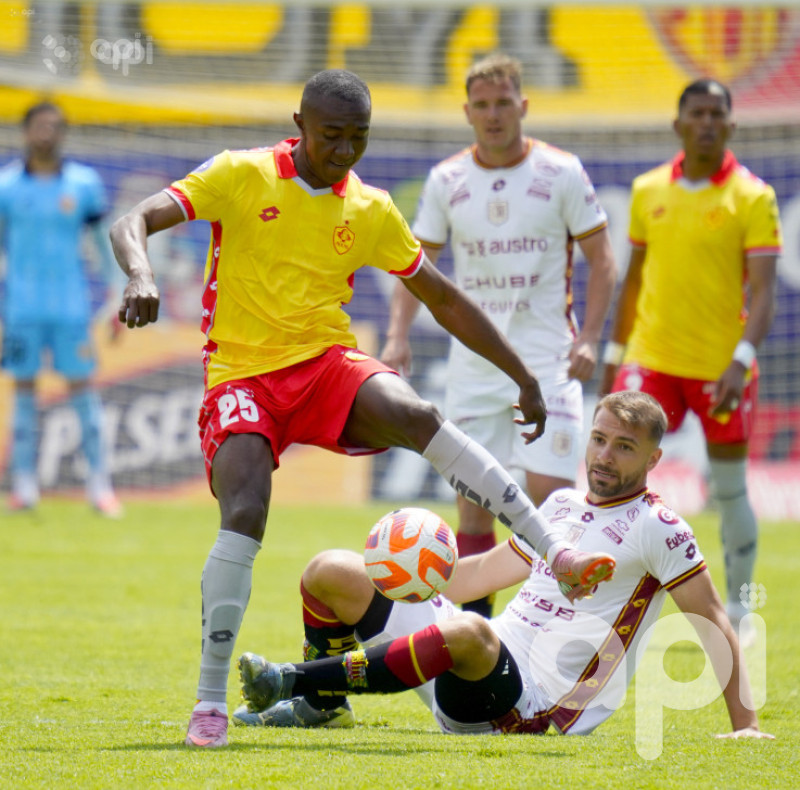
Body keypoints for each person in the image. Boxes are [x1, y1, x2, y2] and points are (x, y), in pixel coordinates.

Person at [109, 69, 617, 749]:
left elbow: (444, 298)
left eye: (359, 137)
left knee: (419, 415)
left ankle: (555, 551)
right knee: (246, 512)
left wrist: (522, 375)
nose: (345, 150)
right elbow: (133, 220)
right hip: (242, 376)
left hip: (324, 364)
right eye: (331, 136)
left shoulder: (369, 208)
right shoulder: (239, 174)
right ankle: (209, 704)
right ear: (300, 124)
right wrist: (141, 273)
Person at [232, 391, 773, 742]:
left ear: (653, 459)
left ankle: (291, 679)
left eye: (624, 447)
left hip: (530, 705)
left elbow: (712, 618)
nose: (605, 456)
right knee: (332, 570)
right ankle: (323, 706)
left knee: (471, 630)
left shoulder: (660, 527)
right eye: (599, 440)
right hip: (477, 659)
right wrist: (407, 563)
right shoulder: (560, 506)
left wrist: (745, 725)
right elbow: (474, 578)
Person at [381, 53, 616, 617]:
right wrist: (396, 336)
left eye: (503, 103)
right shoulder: (446, 180)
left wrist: (589, 337)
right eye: (482, 105)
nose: (493, 114)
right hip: (473, 368)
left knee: (554, 506)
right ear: (466, 111)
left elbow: (603, 261)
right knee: (473, 510)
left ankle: (554, 628)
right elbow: (415, 265)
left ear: (523, 105)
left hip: (548, 362)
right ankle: (475, 639)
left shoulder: (561, 171)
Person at [599, 79, 782, 648]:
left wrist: (741, 361)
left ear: (731, 124)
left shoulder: (753, 197)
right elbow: (633, 282)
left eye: (716, 114)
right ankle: (604, 599)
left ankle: (743, 607)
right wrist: (613, 354)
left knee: (729, 492)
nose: (706, 122)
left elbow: (765, 293)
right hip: (651, 360)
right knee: (614, 477)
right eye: (697, 113)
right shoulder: (648, 189)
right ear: (678, 124)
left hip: (720, 370)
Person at [0, 101, 121, 517]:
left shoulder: (84, 184)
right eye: (39, 125)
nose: (46, 132)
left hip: (72, 309)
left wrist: (116, 293)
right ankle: (24, 486)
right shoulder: (6, 187)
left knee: (84, 394)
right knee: (24, 395)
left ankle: (100, 487)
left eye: (54, 126)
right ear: (26, 131)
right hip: (21, 309)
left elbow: (103, 244)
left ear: (64, 133)